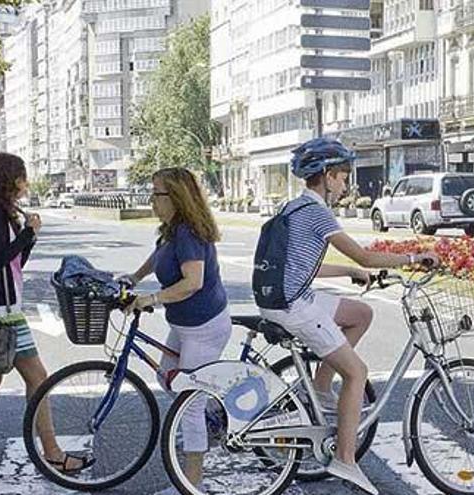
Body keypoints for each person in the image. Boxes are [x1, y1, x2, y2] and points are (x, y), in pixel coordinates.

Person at [256, 138, 439, 495]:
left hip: (285, 295)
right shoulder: (317, 212)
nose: (345, 185)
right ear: (325, 176)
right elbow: (366, 257)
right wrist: (416, 258)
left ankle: (321, 390)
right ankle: (344, 458)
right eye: (341, 177)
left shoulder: (293, 208)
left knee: (360, 313)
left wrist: (346, 273)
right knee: (357, 373)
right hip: (293, 305)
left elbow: (299, 266)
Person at [0, 152, 92, 480]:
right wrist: (28, 234)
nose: (26, 183)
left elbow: (13, 263)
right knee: (38, 379)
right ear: (9, 179)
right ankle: (53, 454)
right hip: (1, 315)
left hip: (2, 309)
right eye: (22, 177)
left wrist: (29, 236)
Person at [123, 167, 231, 487]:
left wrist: (152, 298)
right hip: (184, 324)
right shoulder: (170, 230)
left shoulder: (189, 232)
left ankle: (191, 484)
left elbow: (193, 282)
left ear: (176, 197)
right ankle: (214, 413)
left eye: (157, 194)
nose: (151, 200)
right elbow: (158, 257)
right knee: (166, 376)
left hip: (205, 326)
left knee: (189, 400)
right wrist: (134, 278)